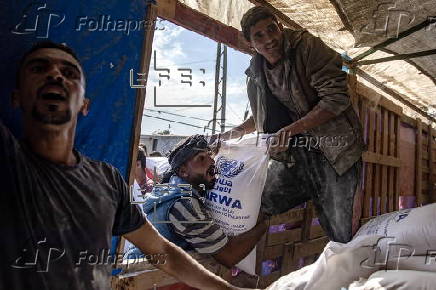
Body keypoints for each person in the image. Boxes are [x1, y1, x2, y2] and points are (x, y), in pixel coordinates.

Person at [0, 41, 248, 290]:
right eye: (39, 68)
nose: (54, 75)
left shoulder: (106, 179)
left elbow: (160, 250)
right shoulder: (11, 165)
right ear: (16, 97)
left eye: (69, 73)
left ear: (84, 105)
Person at [216, 7, 366, 243]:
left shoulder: (307, 47)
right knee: (261, 203)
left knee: (341, 229)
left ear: (280, 27)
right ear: (249, 42)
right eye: (259, 36)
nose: (269, 39)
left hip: (335, 150)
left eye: (272, 29)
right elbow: (261, 117)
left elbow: (336, 98)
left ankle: (353, 272)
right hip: (295, 155)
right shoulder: (256, 72)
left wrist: (291, 130)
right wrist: (229, 135)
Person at [129, 135, 268, 269]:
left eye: (209, 156)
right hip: (146, 278)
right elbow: (229, 256)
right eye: (201, 158)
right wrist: (266, 222)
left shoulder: (173, 188)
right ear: (183, 172)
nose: (211, 162)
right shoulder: (183, 204)